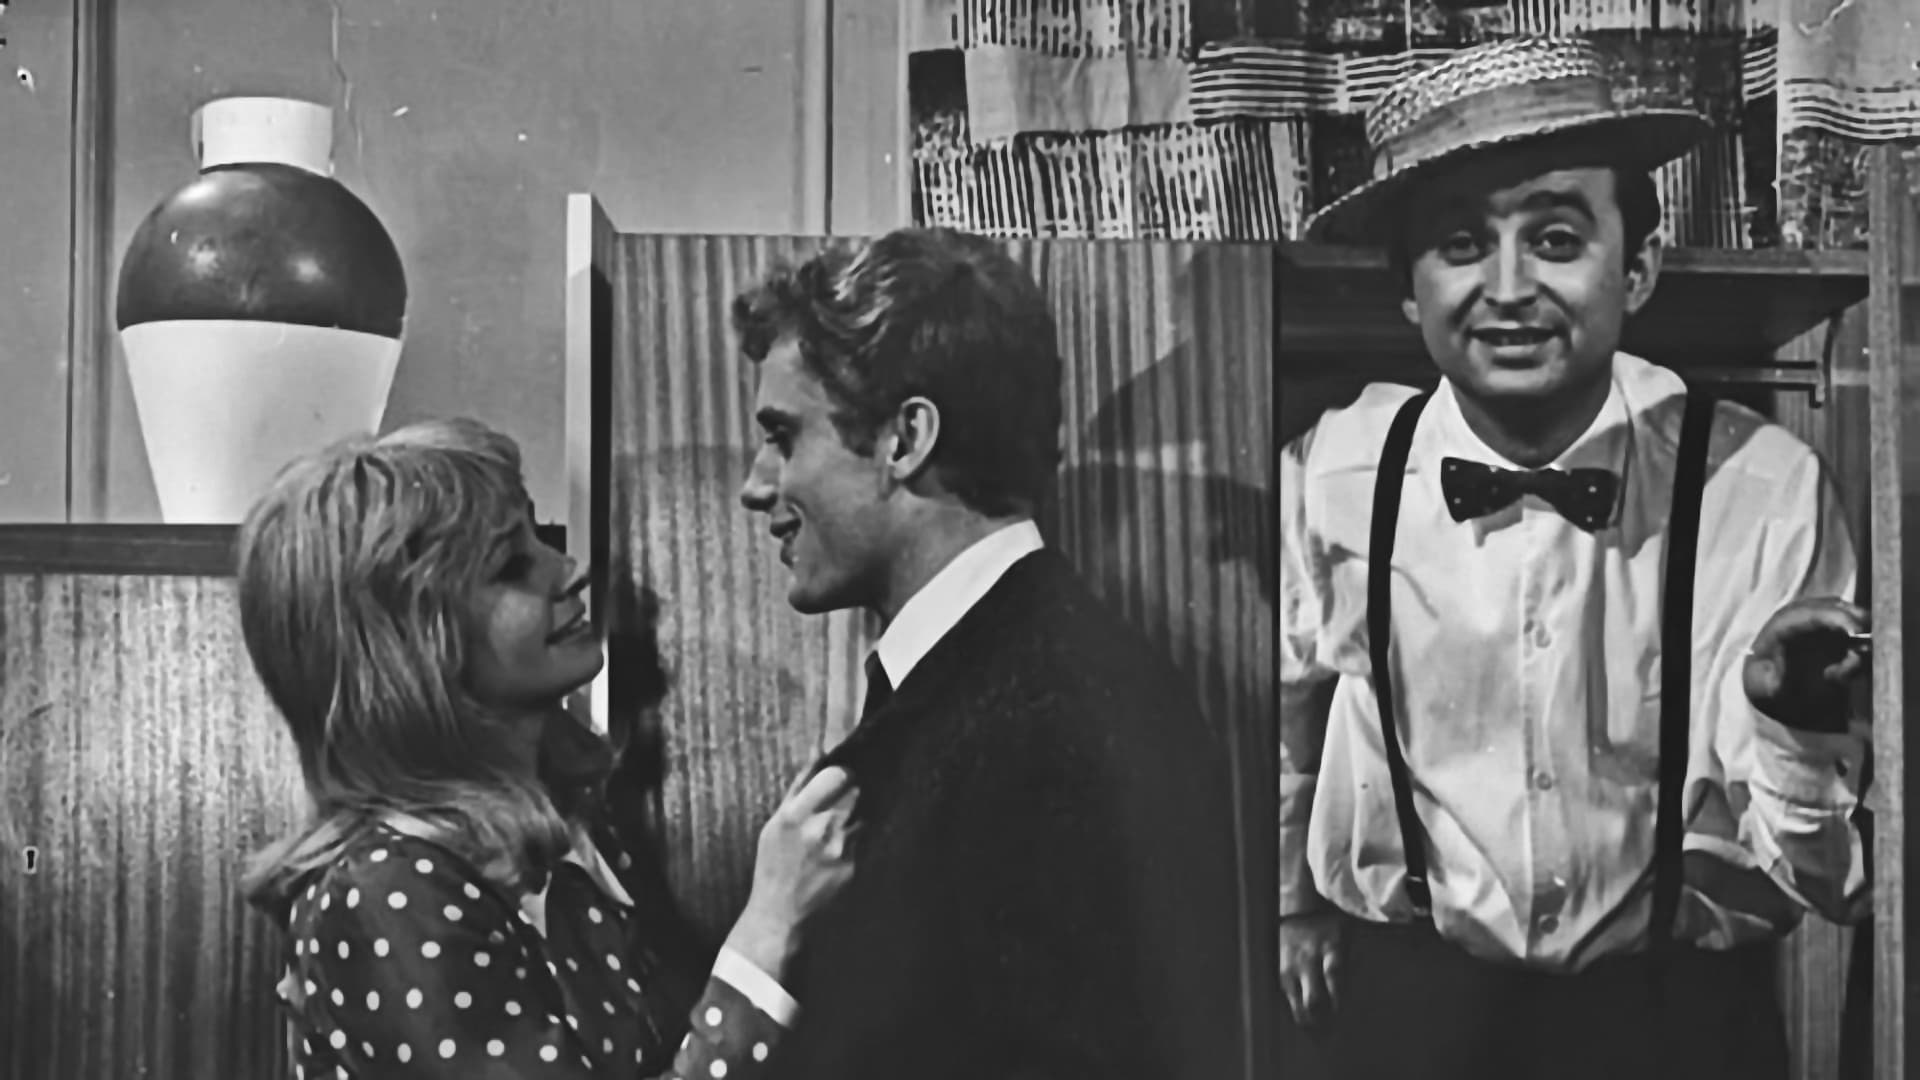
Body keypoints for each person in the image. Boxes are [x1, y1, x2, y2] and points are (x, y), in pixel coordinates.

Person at [1277, 35, 1871, 1080]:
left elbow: (1831, 885)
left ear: (1636, 268)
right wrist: (1291, 901)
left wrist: (1793, 728)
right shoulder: (1334, 473)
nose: (1508, 288)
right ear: (1409, 288)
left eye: (1555, 238)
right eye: (1462, 244)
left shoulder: (1764, 490)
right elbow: (1285, 713)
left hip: (1679, 1026)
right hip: (1413, 1016)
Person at [729, 227, 1245, 1080]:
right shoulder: (991, 682)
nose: (756, 485)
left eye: (783, 436)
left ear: (906, 439)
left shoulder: (1052, 720)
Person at [236, 417, 860, 1079]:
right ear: (416, 645)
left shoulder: (566, 832)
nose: (567, 571)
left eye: (540, 538)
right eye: (511, 565)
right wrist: (769, 929)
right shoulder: (386, 890)